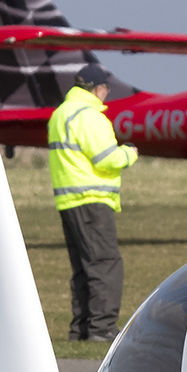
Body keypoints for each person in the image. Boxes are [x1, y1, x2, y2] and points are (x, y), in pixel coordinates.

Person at [48, 62, 138, 341]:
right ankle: (102, 329)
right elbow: (106, 158)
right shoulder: (90, 116)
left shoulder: (59, 114)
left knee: (83, 267)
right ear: (99, 89)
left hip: (68, 201)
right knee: (105, 263)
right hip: (92, 200)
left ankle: (81, 330)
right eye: (106, 90)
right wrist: (129, 153)